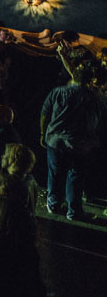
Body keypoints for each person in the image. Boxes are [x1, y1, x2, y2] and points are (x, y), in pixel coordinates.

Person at [39, 63, 106, 220]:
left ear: (73, 76)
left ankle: (53, 204)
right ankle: (74, 211)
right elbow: (101, 121)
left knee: (55, 173)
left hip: (56, 141)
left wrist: (43, 133)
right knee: (76, 175)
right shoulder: (96, 98)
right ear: (91, 80)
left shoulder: (58, 92)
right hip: (81, 145)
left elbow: (44, 113)